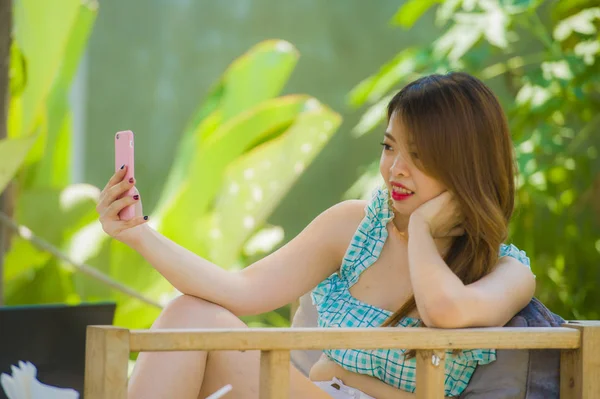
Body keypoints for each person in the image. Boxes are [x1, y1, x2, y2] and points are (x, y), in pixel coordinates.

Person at [96, 72, 536, 399]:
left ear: (465, 166)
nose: (395, 169)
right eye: (389, 147)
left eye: (418, 155)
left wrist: (420, 227)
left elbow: (443, 311)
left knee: (192, 320)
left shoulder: (505, 269)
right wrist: (136, 233)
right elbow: (240, 292)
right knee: (189, 314)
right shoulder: (355, 228)